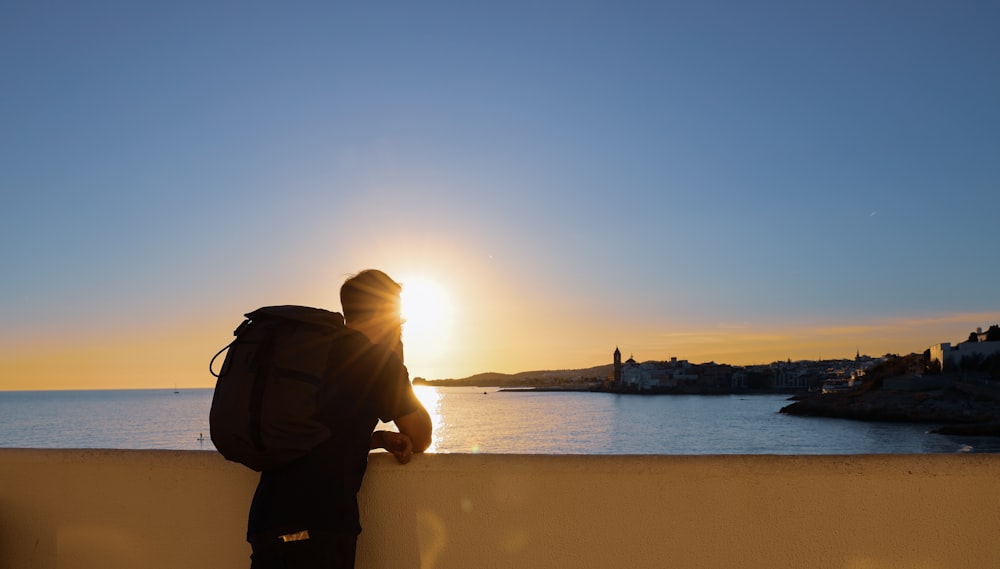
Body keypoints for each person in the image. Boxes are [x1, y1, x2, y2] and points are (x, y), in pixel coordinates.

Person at [246, 269, 433, 569]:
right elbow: (421, 435)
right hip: (319, 529)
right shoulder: (378, 363)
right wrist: (398, 362)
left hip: (266, 520)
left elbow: (321, 431)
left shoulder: (314, 354)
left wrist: (378, 439)